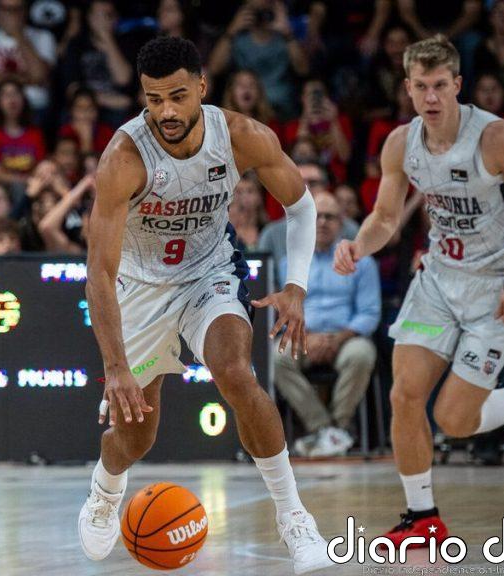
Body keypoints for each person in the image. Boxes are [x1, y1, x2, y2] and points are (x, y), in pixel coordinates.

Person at [79, 36, 331, 574]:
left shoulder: (241, 136)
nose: (166, 112)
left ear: (201, 87)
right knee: (136, 437)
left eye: (177, 96)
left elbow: (302, 206)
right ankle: (105, 488)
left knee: (237, 374)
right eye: (153, 100)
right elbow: (98, 274)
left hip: (209, 272)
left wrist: (297, 286)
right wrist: (115, 366)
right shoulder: (123, 159)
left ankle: (294, 516)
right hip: (139, 286)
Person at [333, 35, 504, 548]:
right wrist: (358, 247)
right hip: (438, 282)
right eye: (420, 87)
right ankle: (421, 517)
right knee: (404, 393)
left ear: (457, 85)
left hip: (499, 285)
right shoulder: (399, 144)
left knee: (455, 420)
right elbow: (386, 217)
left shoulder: (496, 140)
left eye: (440, 86)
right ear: (407, 89)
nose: (430, 98)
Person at [274, 191, 380, 458]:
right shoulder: (290, 262)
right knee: (276, 360)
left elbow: (370, 313)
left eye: (330, 217)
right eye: (317, 216)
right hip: (303, 336)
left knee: (362, 354)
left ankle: (338, 427)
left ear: (341, 222)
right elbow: (282, 311)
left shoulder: (362, 261)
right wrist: (307, 337)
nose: (322, 222)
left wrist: (337, 339)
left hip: (346, 337)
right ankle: (325, 430)